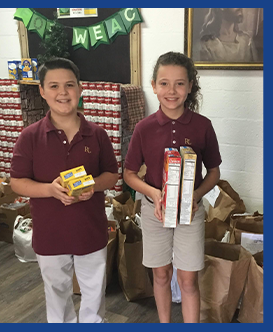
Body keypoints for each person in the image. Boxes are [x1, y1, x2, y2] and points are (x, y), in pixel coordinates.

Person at [10, 57, 118, 323]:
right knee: (57, 294)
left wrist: (92, 185)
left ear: (80, 89)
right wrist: (50, 190)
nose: (63, 93)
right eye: (54, 86)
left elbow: (112, 175)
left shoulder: (97, 134)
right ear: (42, 91)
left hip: (90, 230)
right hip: (50, 232)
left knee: (94, 293)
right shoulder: (30, 137)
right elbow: (16, 182)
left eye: (69, 85)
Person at [123, 51, 221, 323]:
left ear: (190, 86)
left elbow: (213, 172)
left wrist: (196, 196)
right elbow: (129, 174)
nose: (171, 90)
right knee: (161, 273)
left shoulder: (203, 127)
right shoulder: (144, 128)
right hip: (155, 211)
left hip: (192, 212)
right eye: (164, 83)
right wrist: (153, 193)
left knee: (188, 279)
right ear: (153, 85)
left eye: (180, 83)